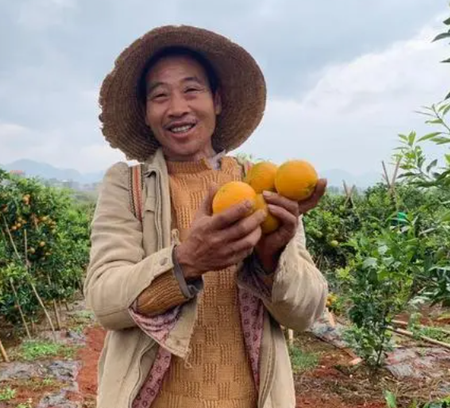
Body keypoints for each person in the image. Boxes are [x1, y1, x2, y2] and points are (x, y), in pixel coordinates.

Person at [84, 25, 328, 408]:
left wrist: (270, 258)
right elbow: (104, 300)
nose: (177, 107)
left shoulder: (261, 185)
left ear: (216, 100)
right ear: (147, 114)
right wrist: (186, 262)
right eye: (160, 95)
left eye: (191, 90)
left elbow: (305, 312)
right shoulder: (126, 186)